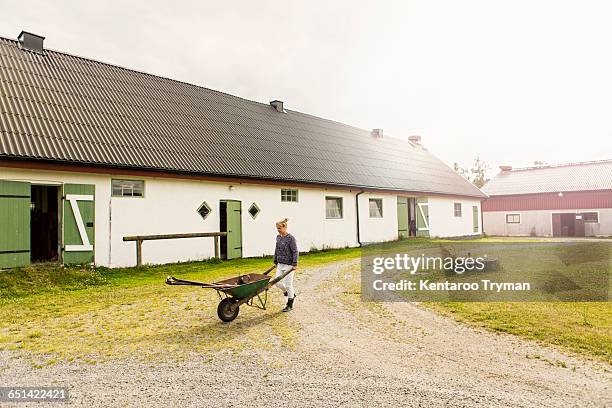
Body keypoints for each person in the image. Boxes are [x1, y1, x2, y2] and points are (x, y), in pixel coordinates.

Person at [272, 218, 298, 312]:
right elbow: (276, 249)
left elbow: (295, 251)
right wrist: (275, 260)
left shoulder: (290, 238)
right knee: (277, 282)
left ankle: (290, 304)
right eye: (277, 228)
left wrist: (295, 264)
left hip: (289, 265)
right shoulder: (278, 237)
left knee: (288, 284)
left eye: (279, 228)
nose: (278, 230)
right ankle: (289, 293)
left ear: (285, 227)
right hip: (280, 263)